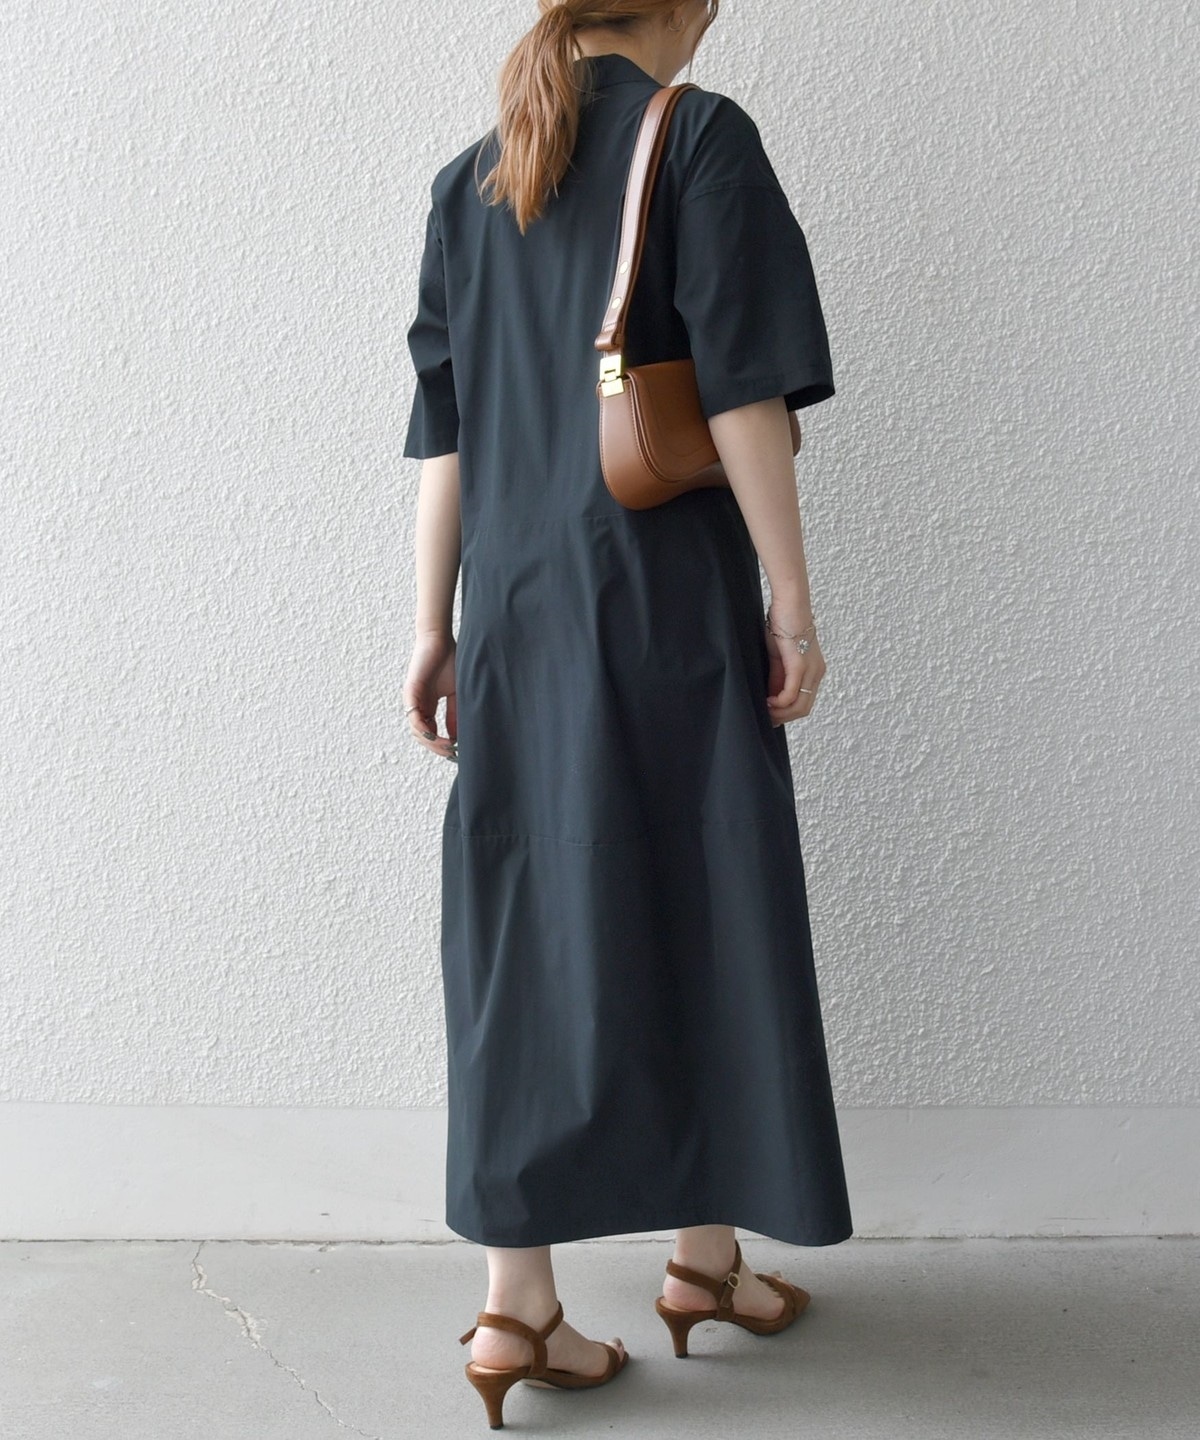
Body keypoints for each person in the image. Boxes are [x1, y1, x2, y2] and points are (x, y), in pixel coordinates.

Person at [401, 0, 853, 1426]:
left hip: (515, 611)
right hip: (661, 604)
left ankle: (515, 1306)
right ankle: (705, 1261)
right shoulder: (700, 138)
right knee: (706, 893)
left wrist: (432, 625)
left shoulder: (474, 178)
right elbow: (744, 393)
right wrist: (791, 597)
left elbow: (447, 431)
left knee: (520, 926)